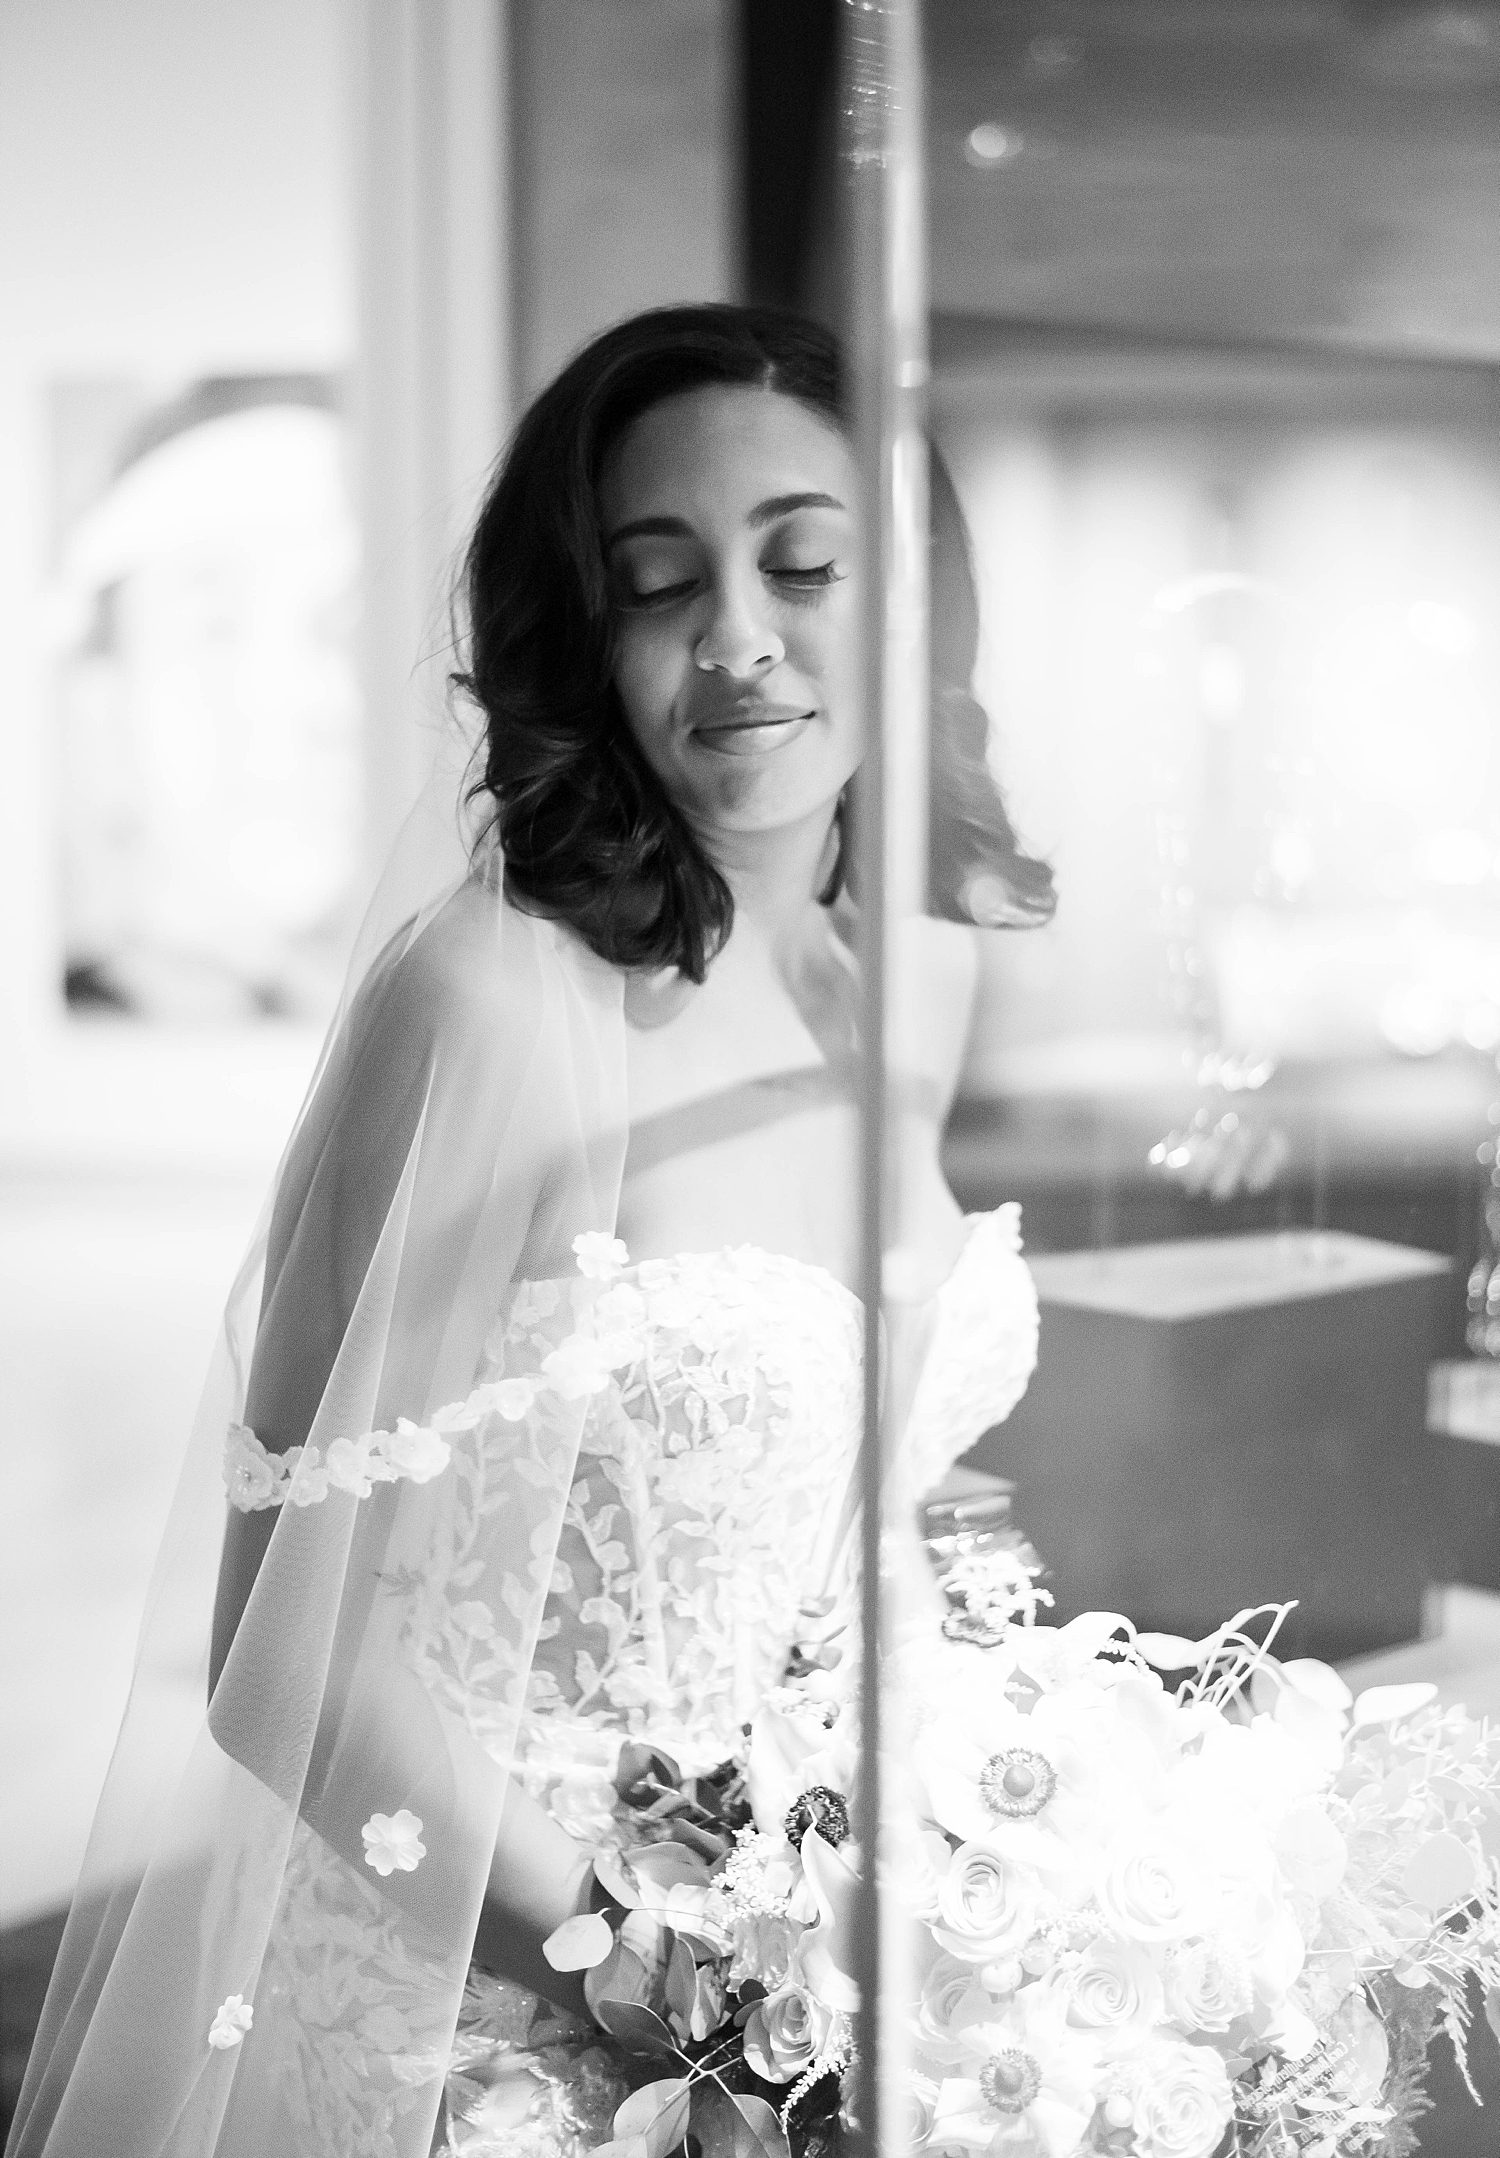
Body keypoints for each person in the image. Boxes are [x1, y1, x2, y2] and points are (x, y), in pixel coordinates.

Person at [7, 304, 1053, 2158]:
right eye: (662, 584)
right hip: (517, 2003)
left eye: (805, 561)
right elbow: (287, 1657)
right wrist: (686, 1998)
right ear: (585, 637)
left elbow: (863, 1483)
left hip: (842, 1946)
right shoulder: (490, 1002)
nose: (741, 636)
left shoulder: (924, 967)